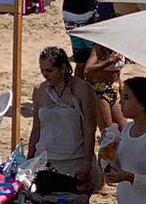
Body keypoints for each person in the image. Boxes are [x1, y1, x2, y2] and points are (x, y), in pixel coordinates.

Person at [26, 46, 98, 198]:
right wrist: (29, 159)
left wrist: (87, 164)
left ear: (63, 68)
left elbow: (89, 129)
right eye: (42, 70)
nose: (45, 75)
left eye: (50, 70)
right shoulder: (40, 91)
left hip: (74, 162)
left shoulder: (82, 90)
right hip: (46, 162)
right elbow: (36, 129)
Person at [103, 76, 146, 203]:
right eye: (121, 97)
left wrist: (131, 177)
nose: (120, 103)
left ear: (142, 104)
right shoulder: (127, 128)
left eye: (127, 98)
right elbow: (112, 169)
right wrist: (107, 148)